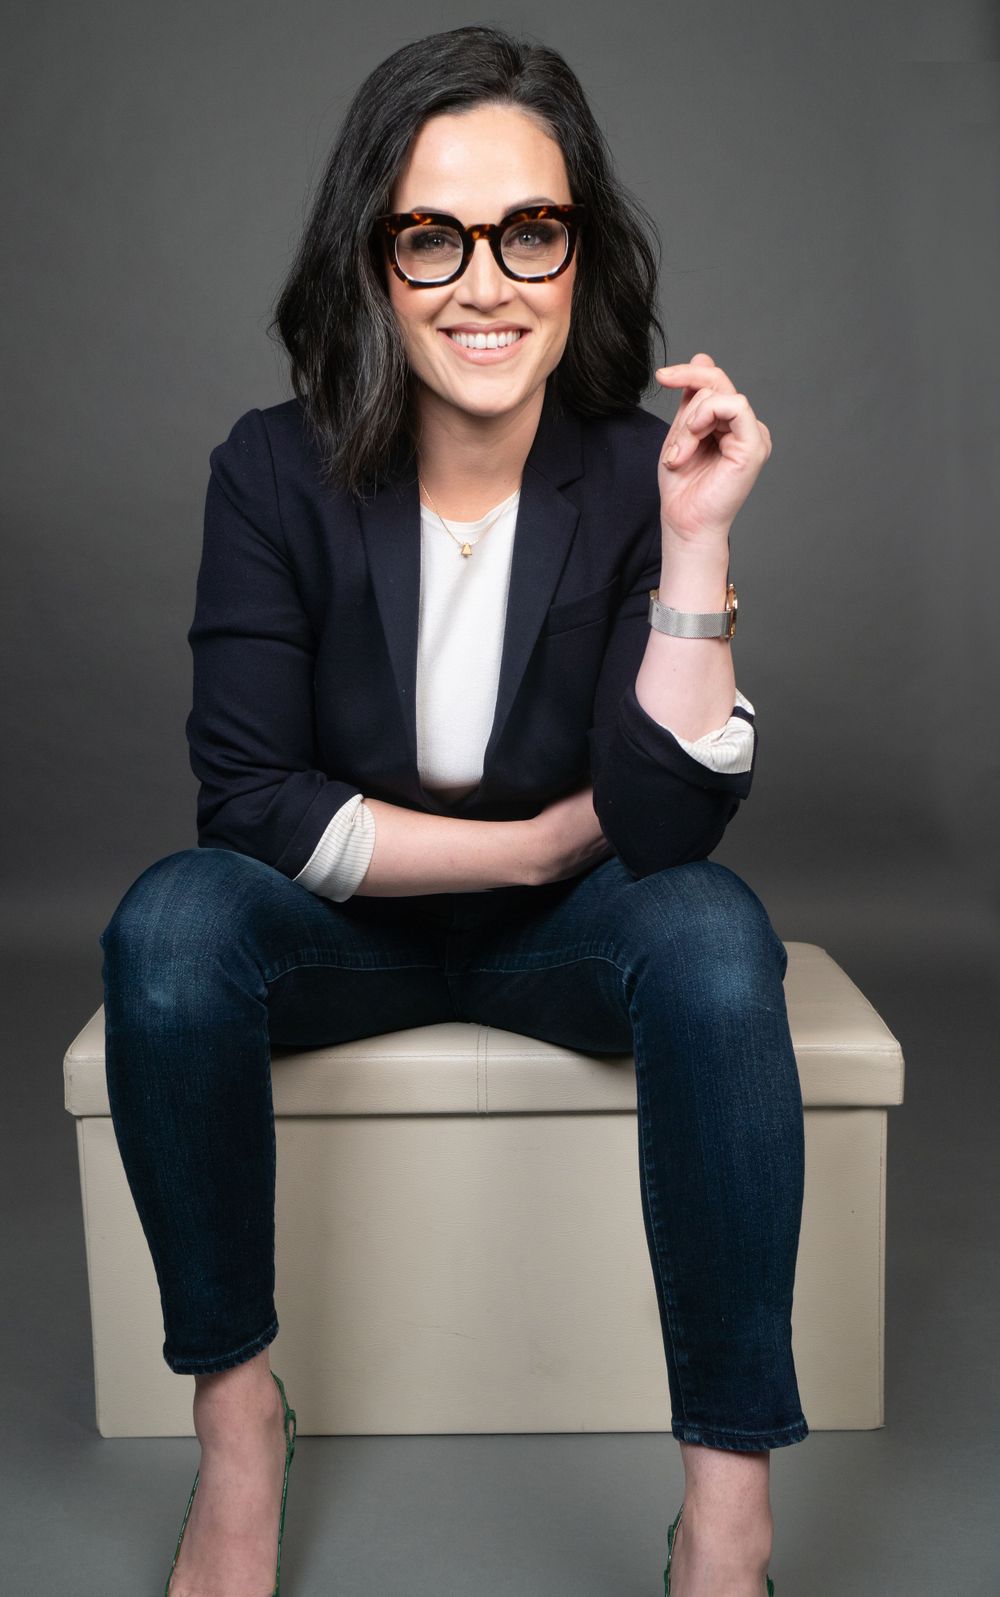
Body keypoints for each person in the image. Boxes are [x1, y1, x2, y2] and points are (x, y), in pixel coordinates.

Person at [99, 23, 807, 1597]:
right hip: (335, 929)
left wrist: (694, 548)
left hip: (578, 940)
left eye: (528, 232)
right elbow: (254, 802)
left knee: (713, 934)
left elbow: (665, 826)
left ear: (580, 256)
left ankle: (731, 1516)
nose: (484, 282)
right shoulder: (271, 475)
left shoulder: (638, 472)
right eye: (434, 235)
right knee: (167, 925)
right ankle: (236, 1430)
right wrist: (543, 839)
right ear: (374, 261)